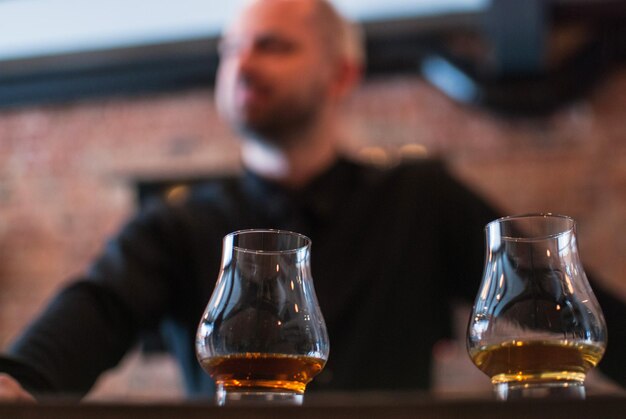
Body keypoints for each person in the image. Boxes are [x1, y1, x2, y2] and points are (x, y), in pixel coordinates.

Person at [1, 0, 626, 401]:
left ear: (342, 74)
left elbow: (565, 303)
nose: (242, 65)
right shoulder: (178, 222)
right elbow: (97, 307)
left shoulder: (420, 199)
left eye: (272, 45)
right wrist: (19, 380)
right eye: (231, 49)